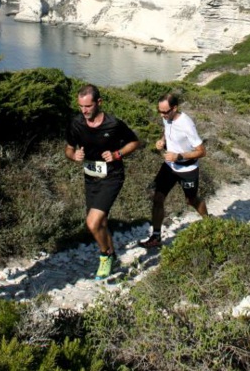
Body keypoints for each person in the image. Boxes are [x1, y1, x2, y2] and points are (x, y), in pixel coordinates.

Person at [65, 84, 140, 279]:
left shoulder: (113, 124)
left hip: (112, 177)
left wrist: (117, 154)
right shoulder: (76, 124)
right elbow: (68, 148)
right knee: (102, 221)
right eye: (81, 107)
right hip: (91, 178)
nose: (84, 111)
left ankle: (105, 256)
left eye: (88, 106)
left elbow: (134, 142)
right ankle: (112, 254)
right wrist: (74, 156)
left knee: (92, 222)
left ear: (99, 102)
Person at [139, 93, 208, 249]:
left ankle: (209, 223)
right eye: (160, 112)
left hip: (187, 168)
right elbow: (166, 129)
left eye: (165, 112)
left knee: (191, 201)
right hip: (169, 167)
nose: (163, 115)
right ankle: (156, 237)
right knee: (157, 198)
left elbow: (202, 151)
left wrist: (179, 156)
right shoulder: (166, 117)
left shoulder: (187, 124)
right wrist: (162, 141)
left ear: (175, 108)